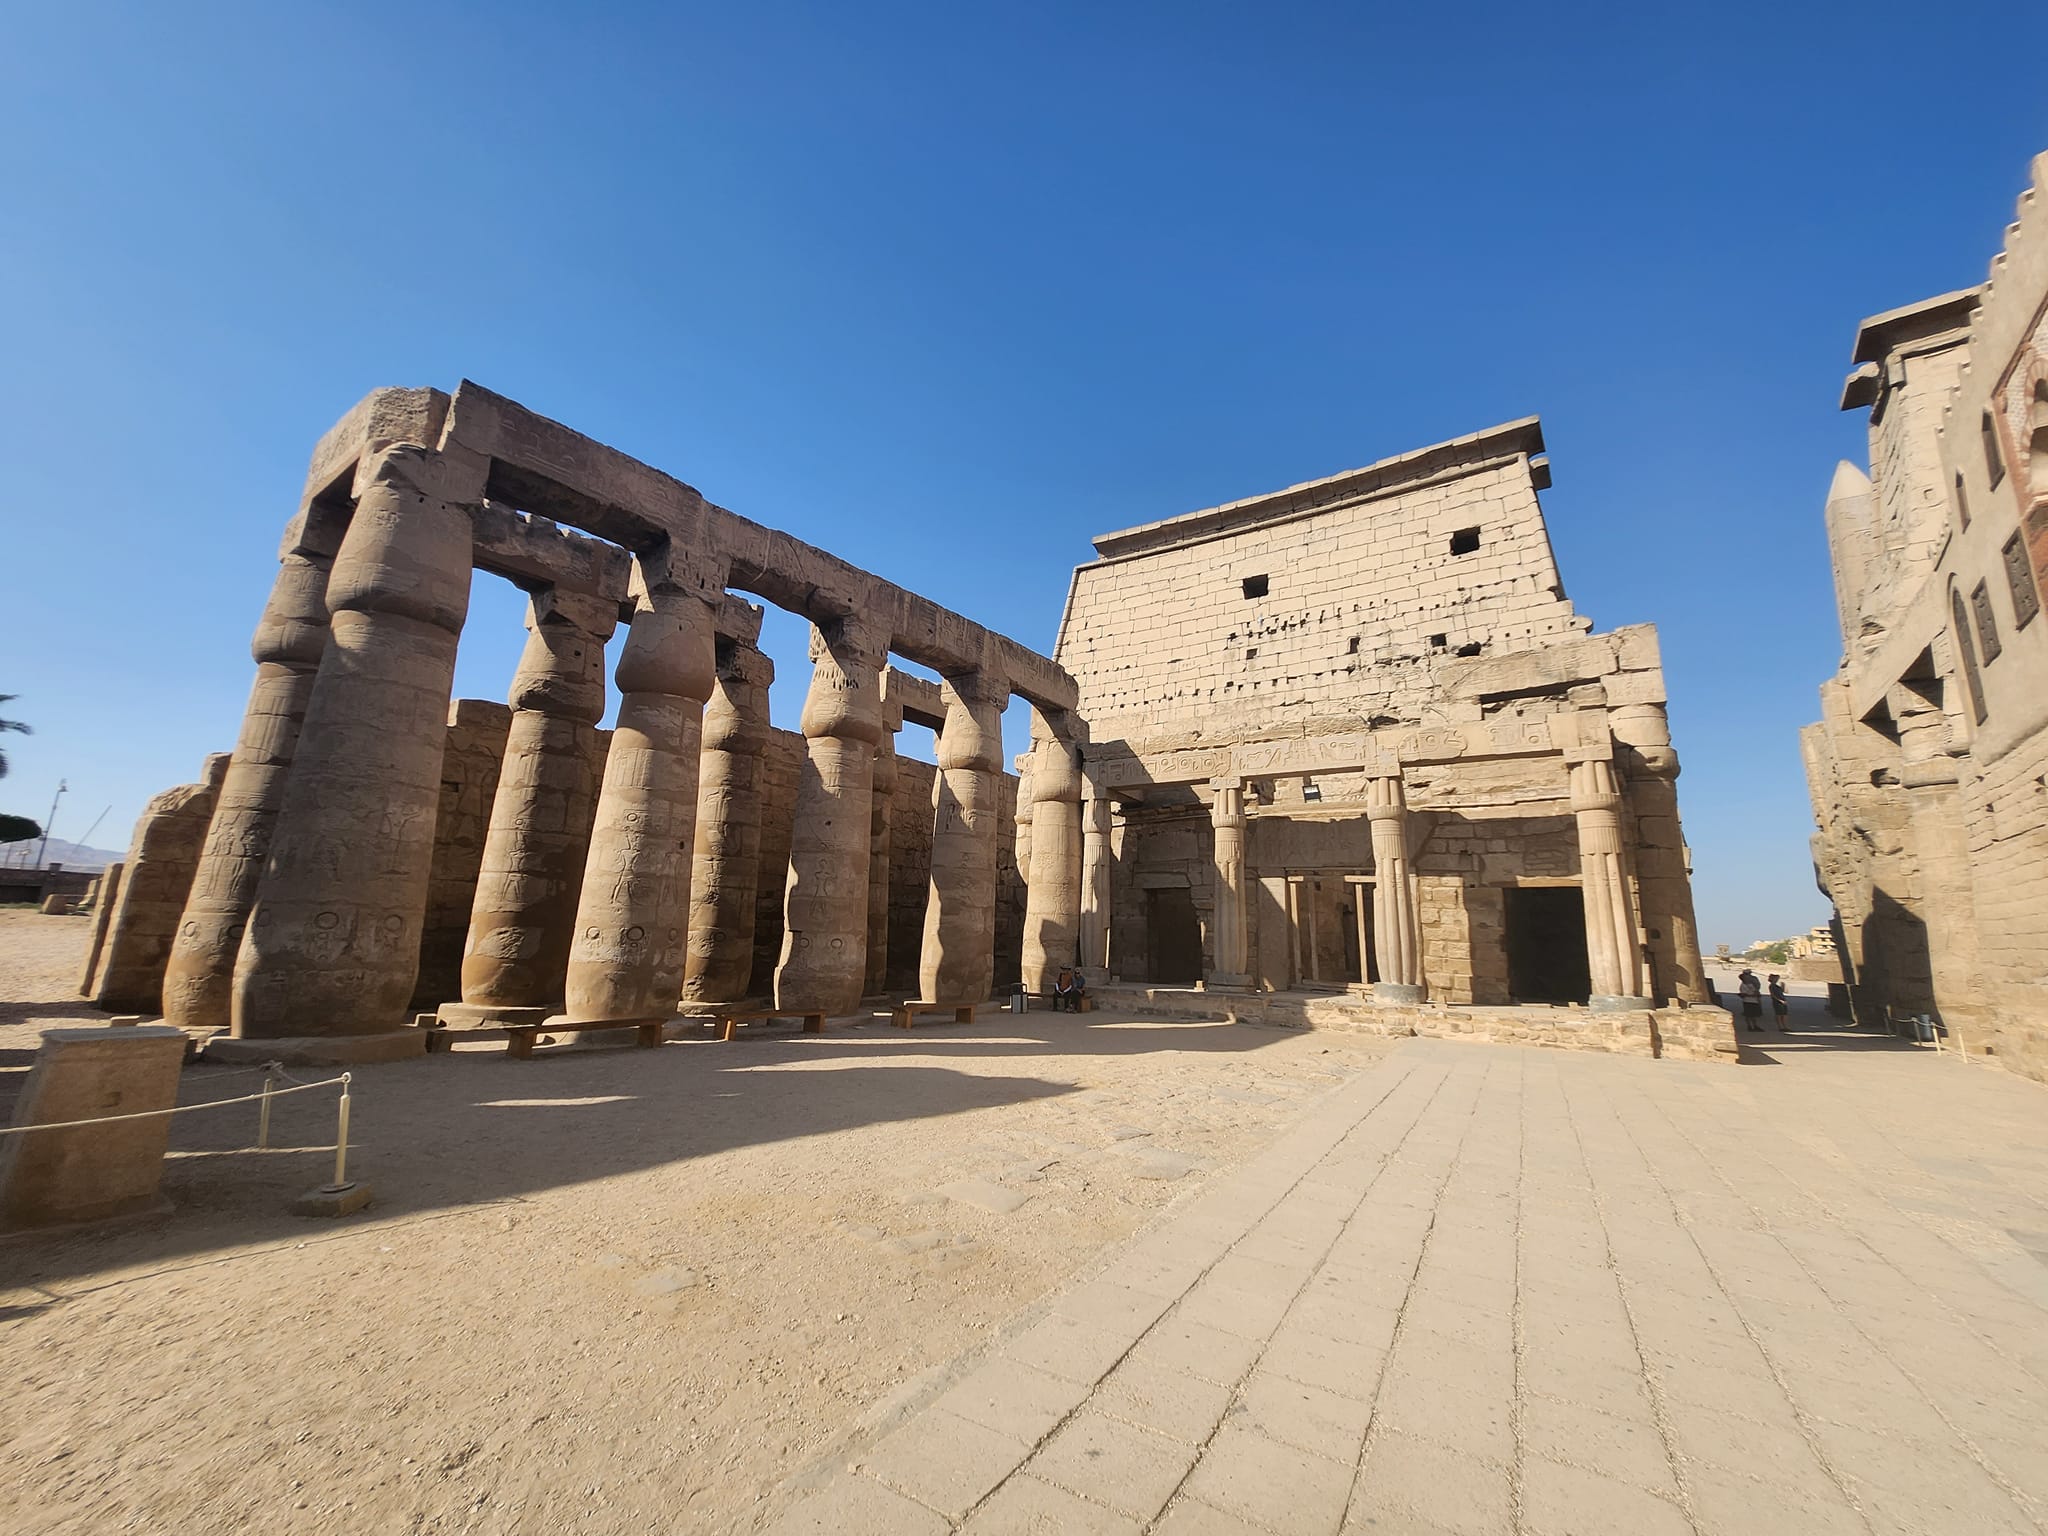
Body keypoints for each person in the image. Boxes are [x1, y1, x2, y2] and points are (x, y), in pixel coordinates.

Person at [1736, 968, 1763, 1032]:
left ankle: (1755, 1025)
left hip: (1754, 1000)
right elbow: (1743, 995)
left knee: (1754, 1015)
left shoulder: (1751, 983)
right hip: (1748, 1001)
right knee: (1748, 1015)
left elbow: (1757, 987)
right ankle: (1750, 1026)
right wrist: (1754, 995)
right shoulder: (1743, 985)